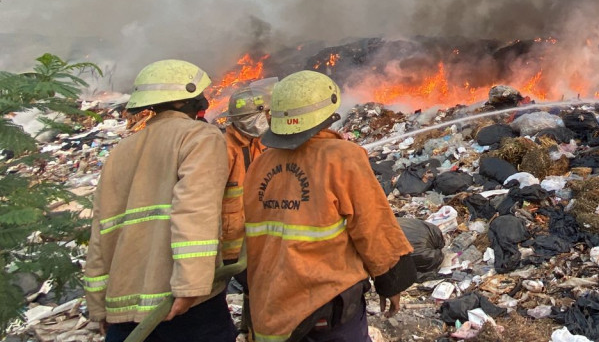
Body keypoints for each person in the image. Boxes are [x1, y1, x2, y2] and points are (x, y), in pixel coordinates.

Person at [244, 70, 415, 342]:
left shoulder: (259, 165)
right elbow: (374, 227)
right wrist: (392, 283)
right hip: (326, 305)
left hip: (270, 309)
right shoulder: (342, 157)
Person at [84, 60, 235, 342]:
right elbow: (195, 210)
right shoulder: (199, 137)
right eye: (199, 94)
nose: (205, 100)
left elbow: (100, 234)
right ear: (180, 101)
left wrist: (98, 305)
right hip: (181, 306)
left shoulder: (121, 150)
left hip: (123, 309)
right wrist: (190, 285)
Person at [221, 80, 274, 335]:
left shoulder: (257, 143)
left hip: (249, 237)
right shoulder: (224, 149)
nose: (266, 119)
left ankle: (252, 331)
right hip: (224, 241)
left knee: (258, 287)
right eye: (261, 115)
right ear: (246, 119)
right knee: (210, 296)